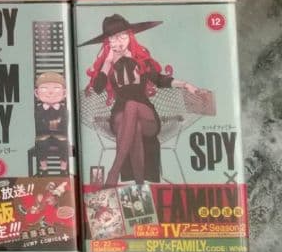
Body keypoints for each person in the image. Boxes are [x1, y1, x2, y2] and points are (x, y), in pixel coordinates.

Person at [81, 13, 200, 186]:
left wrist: (185, 84)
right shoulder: (107, 63)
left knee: (132, 106)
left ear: (130, 36)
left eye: (122, 35)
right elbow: (98, 88)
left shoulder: (140, 59)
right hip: (120, 117)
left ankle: (114, 172)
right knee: (133, 125)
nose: (119, 41)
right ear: (108, 41)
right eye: (113, 37)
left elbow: (160, 80)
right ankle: (139, 186)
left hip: (146, 115)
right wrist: (107, 63)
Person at [33, 71, 69, 172]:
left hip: (60, 136)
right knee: (41, 144)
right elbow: (38, 124)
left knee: (64, 144)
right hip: (43, 136)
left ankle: (63, 168)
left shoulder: (63, 110)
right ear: (36, 93)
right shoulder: (38, 110)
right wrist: (54, 123)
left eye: (56, 88)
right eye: (44, 88)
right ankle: (44, 168)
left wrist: (49, 124)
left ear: (64, 93)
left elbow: (65, 124)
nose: (50, 92)